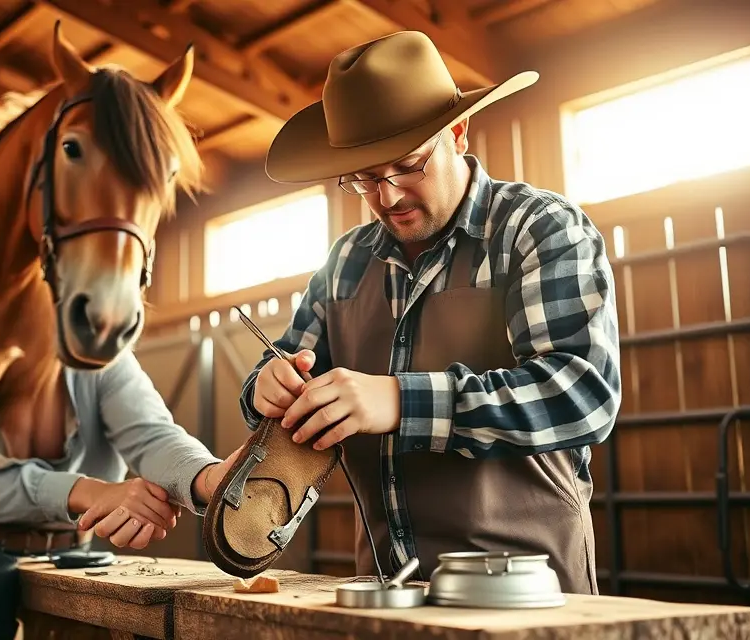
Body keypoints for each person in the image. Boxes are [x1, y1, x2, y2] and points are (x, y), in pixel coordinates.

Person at [240, 30, 621, 595]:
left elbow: (582, 397)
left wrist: (399, 399)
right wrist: (265, 392)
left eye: (407, 167)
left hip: (528, 598)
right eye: (364, 178)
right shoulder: (343, 263)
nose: (387, 197)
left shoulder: (539, 230)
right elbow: (283, 392)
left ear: (458, 132)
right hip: (385, 598)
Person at [0, 350, 240, 639]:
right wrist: (89, 492)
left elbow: (153, 436)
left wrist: (207, 477)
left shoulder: (103, 355)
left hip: (77, 556)